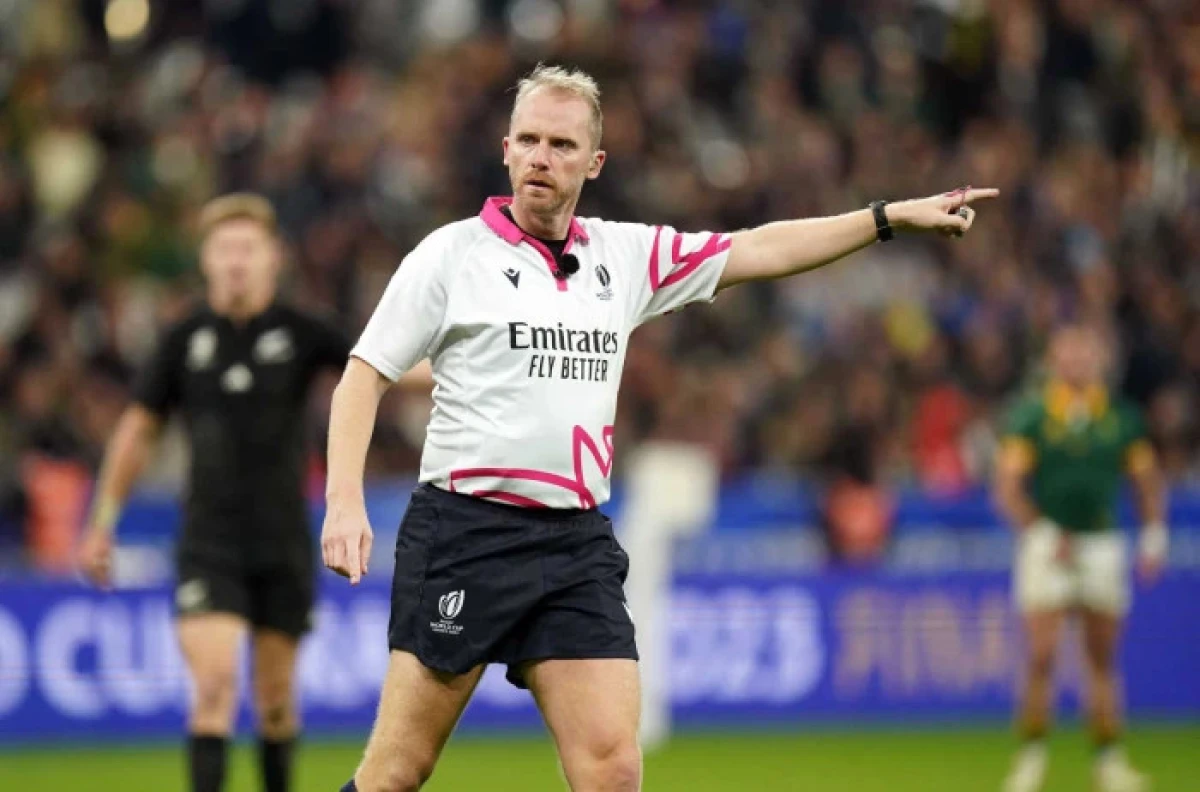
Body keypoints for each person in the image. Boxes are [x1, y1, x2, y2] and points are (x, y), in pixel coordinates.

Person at [320, 63, 997, 792]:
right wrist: (344, 501)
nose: (542, 157)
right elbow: (364, 374)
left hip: (573, 542)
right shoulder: (450, 256)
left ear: (595, 162)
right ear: (505, 149)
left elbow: (758, 249)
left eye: (562, 144)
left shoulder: (623, 256)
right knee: (397, 772)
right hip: (465, 534)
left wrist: (885, 218)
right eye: (529, 140)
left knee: (613, 771)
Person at [78, 194, 352, 792]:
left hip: (283, 541)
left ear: (272, 258)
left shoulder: (303, 332)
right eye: (225, 248)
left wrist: (468, 364)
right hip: (210, 541)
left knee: (277, 701)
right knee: (215, 686)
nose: (236, 261)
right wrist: (102, 522)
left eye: (247, 248)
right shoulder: (183, 341)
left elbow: (378, 366)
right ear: (206, 259)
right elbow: (136, 430)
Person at [995, 324, 1168, 792]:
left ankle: (1109, 762)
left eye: (1083, 353)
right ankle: (1030, 760)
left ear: (1097, 360)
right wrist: (1043, 530)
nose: (1076, 362)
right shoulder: (1031, 417)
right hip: (1047, 544)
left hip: (1101, 545)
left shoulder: (1120, 417)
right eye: (1067, 354)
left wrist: (1153, 536)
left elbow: (1147, 482)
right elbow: (1007, 488)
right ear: (1053, 361)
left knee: (1101, 658)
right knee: (1041, 654)